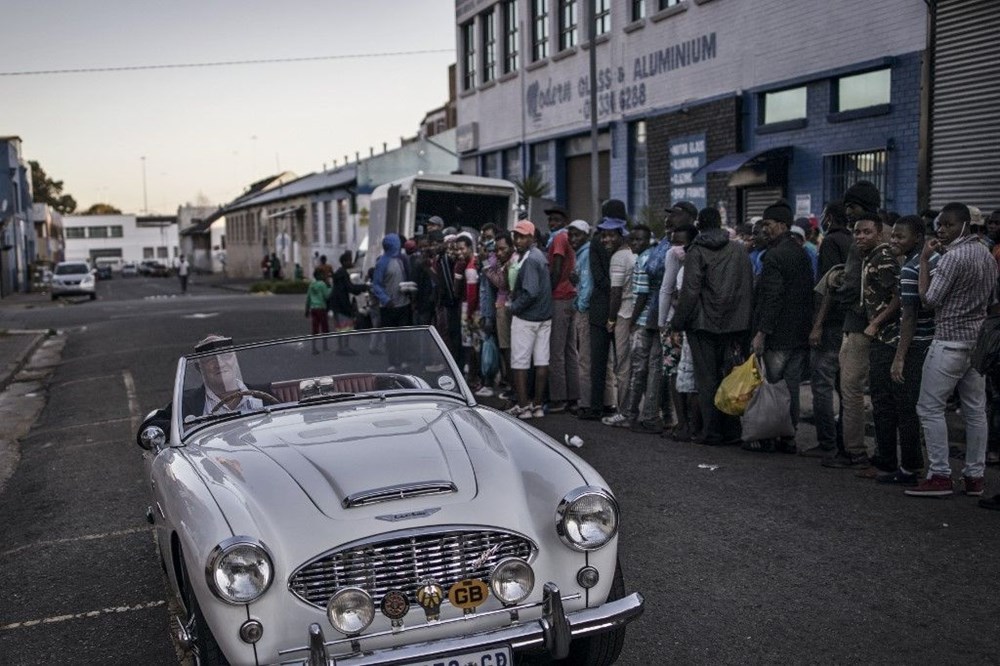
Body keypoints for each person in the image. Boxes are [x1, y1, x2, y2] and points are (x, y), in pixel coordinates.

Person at [907, 202, 999, 497]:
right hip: (976, 343)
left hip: (948, 342)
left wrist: (924, 261)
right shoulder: (986, 254)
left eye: (947, 225)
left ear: (964, 225)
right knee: (975, 411)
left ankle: (940, 474)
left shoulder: (951, 258)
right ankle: (975, 476)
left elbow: (929, 299)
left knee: (929, 407)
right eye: (939, 226)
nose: (941, 231)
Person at [671, 206, 754, 446]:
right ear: (720, 223)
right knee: (730, 376)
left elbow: (690, 292)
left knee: (706, 380)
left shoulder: (697, 251)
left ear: (699, 225)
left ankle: (712, 432)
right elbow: (748, 286)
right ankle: (732, 431)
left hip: (702, 324)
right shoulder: (739, 250)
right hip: (734, 324)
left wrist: (678, 322)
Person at [824, 180, 883, 469]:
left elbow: (850, 286)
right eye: (847, 206)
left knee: (850, 389)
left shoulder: (862, 243)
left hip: (859, 325)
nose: (848, 212)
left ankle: (854, 451)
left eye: (854, 206)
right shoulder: (873, 238)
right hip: (864, 324)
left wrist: (836, 282)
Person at [749, 200, 814, 453]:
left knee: (773, 387)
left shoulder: (774, 256)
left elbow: (772, 297)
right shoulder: (801, 252)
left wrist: (761, 333)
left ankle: (771, 434)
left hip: (778, 335)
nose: (764, 229)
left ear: (781, 225)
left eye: (767, 224)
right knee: (792, 388)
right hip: (798, 334)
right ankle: (789, 436)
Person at [878, 215, 936, 485]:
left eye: (900, 237)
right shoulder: (935, 260)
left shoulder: (912, 268)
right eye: (893, 236)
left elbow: (909, 317)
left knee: (907, 407)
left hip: (917, 346)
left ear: (918, 239)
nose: (894, 241)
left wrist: (899, 358)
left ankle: (911, 466)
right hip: (933, 344)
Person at [506, 220, 552, 420]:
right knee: (541, 361)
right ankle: (538, 405)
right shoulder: (538, 256)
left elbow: (531, 292)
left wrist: (513, 308)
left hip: (527, 317)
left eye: (522, 236)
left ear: (532, 238)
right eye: (516, 235)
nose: (517, 240)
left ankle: (524, 406)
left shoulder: (531, 259)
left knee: (520, 362)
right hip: (543, 316)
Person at [544, 204, 579, 414]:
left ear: (564, 221)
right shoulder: (569, 237)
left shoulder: (558, 238)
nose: (552, 223)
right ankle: (573, 396)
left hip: (559, 296)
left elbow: (556, 267)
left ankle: (558, 398)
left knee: (556, 351)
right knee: (569, 350)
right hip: (571, 296)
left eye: (556, 220)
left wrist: (548, 292)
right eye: (550, 220)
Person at [183, 335, 264, 418]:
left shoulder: (267, 394)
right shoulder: (183, 405)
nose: (220, 364)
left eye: (225, 356)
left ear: (235, 360)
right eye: (210, 358)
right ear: (199, 367)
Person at [371, 234, 413, 370]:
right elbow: (376, 284)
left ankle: (402, 360)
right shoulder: (382, 262)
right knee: (390, 337)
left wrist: (409, 291)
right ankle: (392, 362)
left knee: (403, 336)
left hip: (404, 304)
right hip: (388, 307)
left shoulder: (403, 259)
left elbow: (408, 276)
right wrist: (385, 299)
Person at [568, 220, 593, 414]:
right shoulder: (581, 254)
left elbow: (587, 285)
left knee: (584, 360)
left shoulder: (585, 254)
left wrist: (581, 307)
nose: (573, 239)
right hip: (583, 307)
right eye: (571, 235)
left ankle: (585, 403)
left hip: (585, 310)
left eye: (577, 235)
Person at [330, 251, 368, 354]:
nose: (351, 263)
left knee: (340, 326)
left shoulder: (339, 273)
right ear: (345, 262)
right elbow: (350, 287)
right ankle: (345, 348)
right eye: (349, 260)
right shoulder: (343, 274)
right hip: (341, 303)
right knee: (345, 326)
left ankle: (340, 347)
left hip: (336, 303)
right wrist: (364, 287)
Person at [305, 267, 332, 353]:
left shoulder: (312, 285)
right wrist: (330, 288)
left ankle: (314, 348)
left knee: (315, 328)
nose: (325, 276)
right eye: (324, 274)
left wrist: (306, 309)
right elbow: (327, 296)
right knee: (324, 327)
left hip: (313, 309)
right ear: (320, 275)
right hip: (322, 308)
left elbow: (308, 298)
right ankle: (325, 346)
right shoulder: (322, 284)